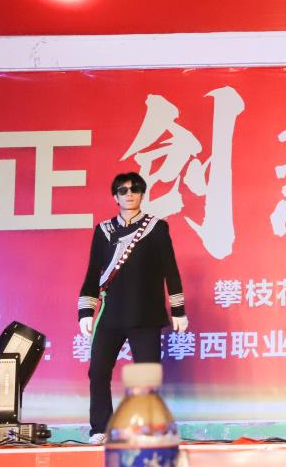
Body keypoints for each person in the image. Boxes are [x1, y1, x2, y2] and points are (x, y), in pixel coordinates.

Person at [77, 172, 188, 444]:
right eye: (123, 190)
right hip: (110, 314)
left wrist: (178, 310)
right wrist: (85, 312)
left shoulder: (156, 228)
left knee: (146, 377)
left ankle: (147, 429)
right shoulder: (104, 231)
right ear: (115, 197)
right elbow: (93, 273)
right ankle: (101, 428)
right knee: (98, 372)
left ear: (142, 194)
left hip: (145, 315)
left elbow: (171, 271)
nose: (129, 194)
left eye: (135, 189)